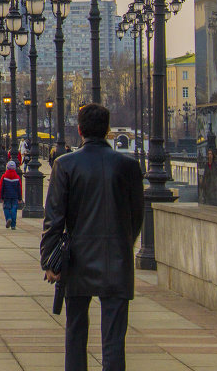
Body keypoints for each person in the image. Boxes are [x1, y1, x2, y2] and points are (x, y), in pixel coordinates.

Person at [42, 103, 144, 371]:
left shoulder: (65, 165)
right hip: (117, 260)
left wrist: (49, 261)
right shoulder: (128, 166)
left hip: (77, 260)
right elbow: (137, 216)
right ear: (108, 130)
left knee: (75, 333)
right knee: (113, 341)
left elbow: (54, 218)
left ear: (79, 130)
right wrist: (124, 244)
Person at [0, 160, 22, 229]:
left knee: (6, 207)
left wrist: (1, 196)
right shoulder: (17, 177)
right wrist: (20, 198)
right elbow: (19, 188)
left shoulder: (4, 176)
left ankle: (8, 218)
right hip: (15, 196)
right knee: (14, 209)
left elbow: (1, 187)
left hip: (6, 195)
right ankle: (13, 225)